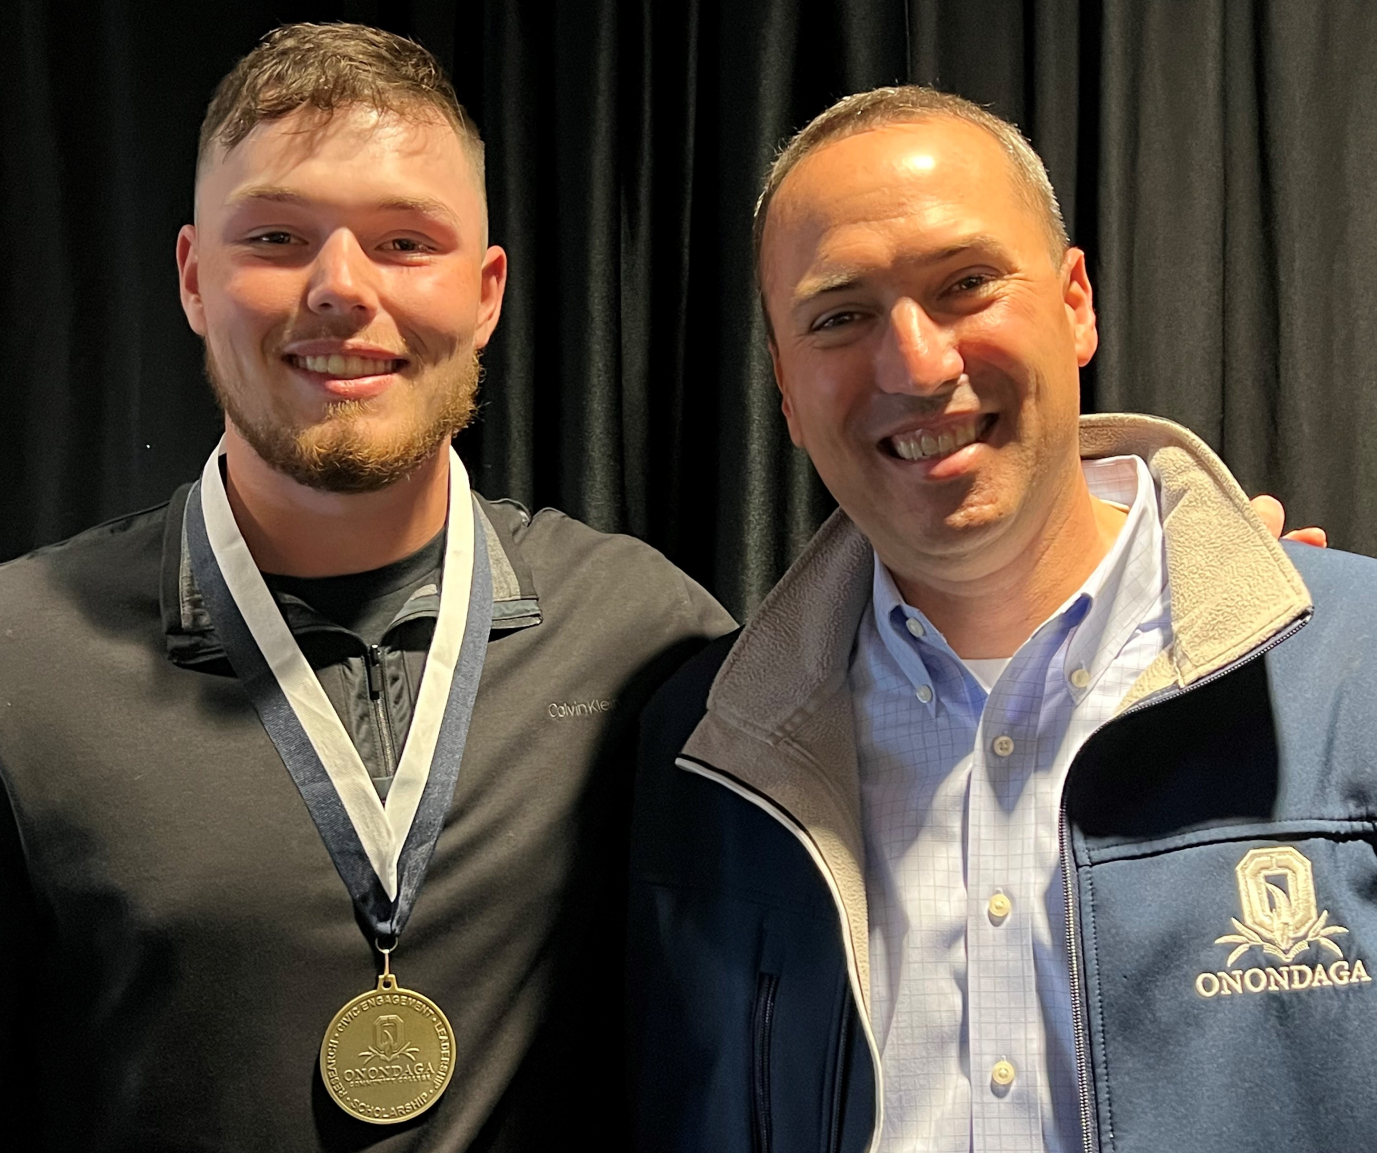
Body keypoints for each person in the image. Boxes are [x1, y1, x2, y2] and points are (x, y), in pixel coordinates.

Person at [0, 23, 734, 1151]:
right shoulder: (19, 660)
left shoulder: (647, 635)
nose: (340, 289)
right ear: (195, 278)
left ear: (487, 293)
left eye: (404, 241)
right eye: (280, 236)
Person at [627, 85, 1374, 1153]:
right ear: (786, 391)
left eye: (966, 284)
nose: (917, 364)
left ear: (1075, 303)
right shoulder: (704, 752)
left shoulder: (1353, 670)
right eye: (839, 315)